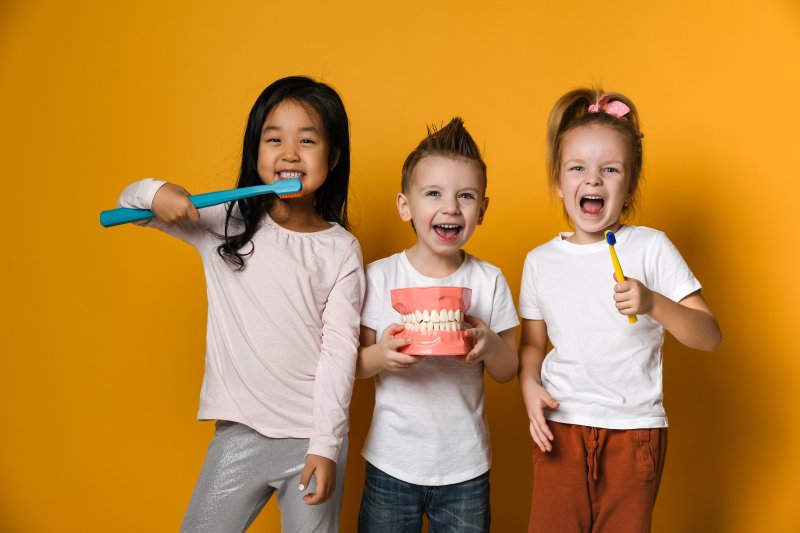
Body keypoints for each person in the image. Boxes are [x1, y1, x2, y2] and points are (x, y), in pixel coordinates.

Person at [113, 76, 364, 532]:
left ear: (334, 156)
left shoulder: (341, 249)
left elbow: (339, 352)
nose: (289, 153)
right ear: (256, 151)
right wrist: (158, 192)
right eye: (274, 139)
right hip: (239, 435)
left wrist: (325, 447)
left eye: (307, 140)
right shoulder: (222, 223)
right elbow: (127, 203)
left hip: (312, 438)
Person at [518, 88, 722, 533]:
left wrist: (653, 303)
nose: (592, 180)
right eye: (578, 169)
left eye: (609, 170)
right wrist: (529, 386)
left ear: (628, 185)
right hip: (560, 427)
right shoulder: (539, 262)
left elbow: (709, 335)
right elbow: (532, 343)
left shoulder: (650, 247)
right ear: (558, 181)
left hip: (633, 432)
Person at [356, 118, 519, 532]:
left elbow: (508, 370)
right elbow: (353, 364)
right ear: (405, 205)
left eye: (465, 196)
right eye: (434, 194)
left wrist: (489, 346)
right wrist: (381, 356)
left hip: (465, 469)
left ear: (482, 210)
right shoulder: (379, 278)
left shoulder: (489, 280)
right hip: (391, 464)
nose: (450, 207)